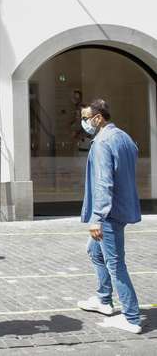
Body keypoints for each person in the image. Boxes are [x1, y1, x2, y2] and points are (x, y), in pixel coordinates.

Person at [76, 99, 142, 334]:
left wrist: (97, 218)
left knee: (115, 264)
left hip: (109, 213)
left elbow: (104, 182)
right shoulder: (124, 137)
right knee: (94, 251)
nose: (84, 122)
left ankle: (132, 317)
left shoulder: (103, 142)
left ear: (98, 118)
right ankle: (104, 299)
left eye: (86, 118)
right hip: (121, 209)